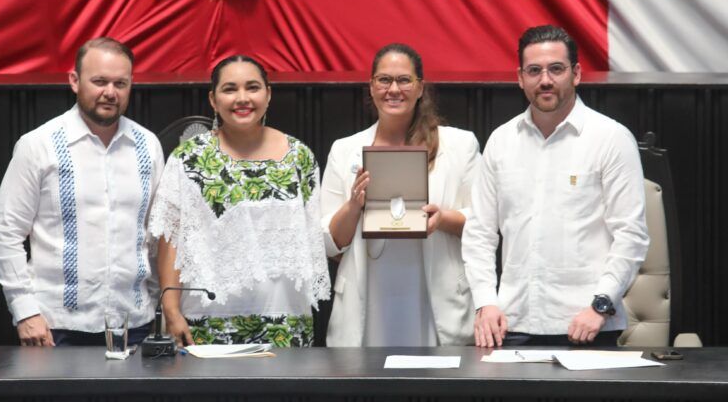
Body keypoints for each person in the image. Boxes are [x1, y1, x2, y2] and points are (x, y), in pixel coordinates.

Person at [462, 25, 650, 347]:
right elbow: (479, 233)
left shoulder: (610, 139)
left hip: (589, 324)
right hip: (511, 324)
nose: (545, 80)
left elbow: (631, 236)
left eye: (556, 69)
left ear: (575, 74)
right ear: (520, 78)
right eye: (534, 71)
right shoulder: (501, 141)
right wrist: (485, 302)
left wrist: (601, 304)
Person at [0, 37, 165, 346]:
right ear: (74, 81)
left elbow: (157, 234)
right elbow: (7, 233)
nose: (110, 92)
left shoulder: (148, 146)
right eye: (99, 81)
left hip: (135, 324)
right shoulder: (38, 145)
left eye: (120, 83)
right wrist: (25, 312)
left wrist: (158, 301)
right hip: (56, 327)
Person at [149, 55, 330, 347]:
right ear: (213, 99)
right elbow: (171, 237)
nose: (242, 98)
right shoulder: (189, 158)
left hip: (285, 319)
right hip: (206, 321)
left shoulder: (300, 157)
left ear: (268, 94)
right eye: (230, 89)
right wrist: (170, 309)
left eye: (253, 87)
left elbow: (312, 241)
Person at [322, 43, 480, 347]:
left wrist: (442, 218)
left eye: (404, 80)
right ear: (371, 87)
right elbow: (327, 242)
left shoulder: (459, 145)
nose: (394, 89)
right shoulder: (344, 150)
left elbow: (484, 223)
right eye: (384, 80)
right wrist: (354, 206)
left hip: (436, 299)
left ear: (420, 87)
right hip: (367, 302)